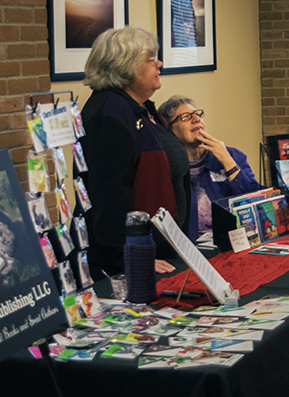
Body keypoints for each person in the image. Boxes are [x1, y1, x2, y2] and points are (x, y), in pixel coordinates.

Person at [79, 27, 190, 278]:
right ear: (126, 67)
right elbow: (108, 197)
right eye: (151, 59)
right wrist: (132, 256)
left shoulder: (140, 108)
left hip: (162, 249)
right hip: (128, 263)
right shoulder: (109, 114)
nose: (159, 64)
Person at [158, 95, 262, 242]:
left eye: (197, 114)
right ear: (169, 130)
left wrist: (228, 162)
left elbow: (256, 204)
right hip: (191, 248)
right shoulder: (167, 166)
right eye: (186, 117)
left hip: (234, 244)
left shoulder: (232, 156)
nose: (196, 120)